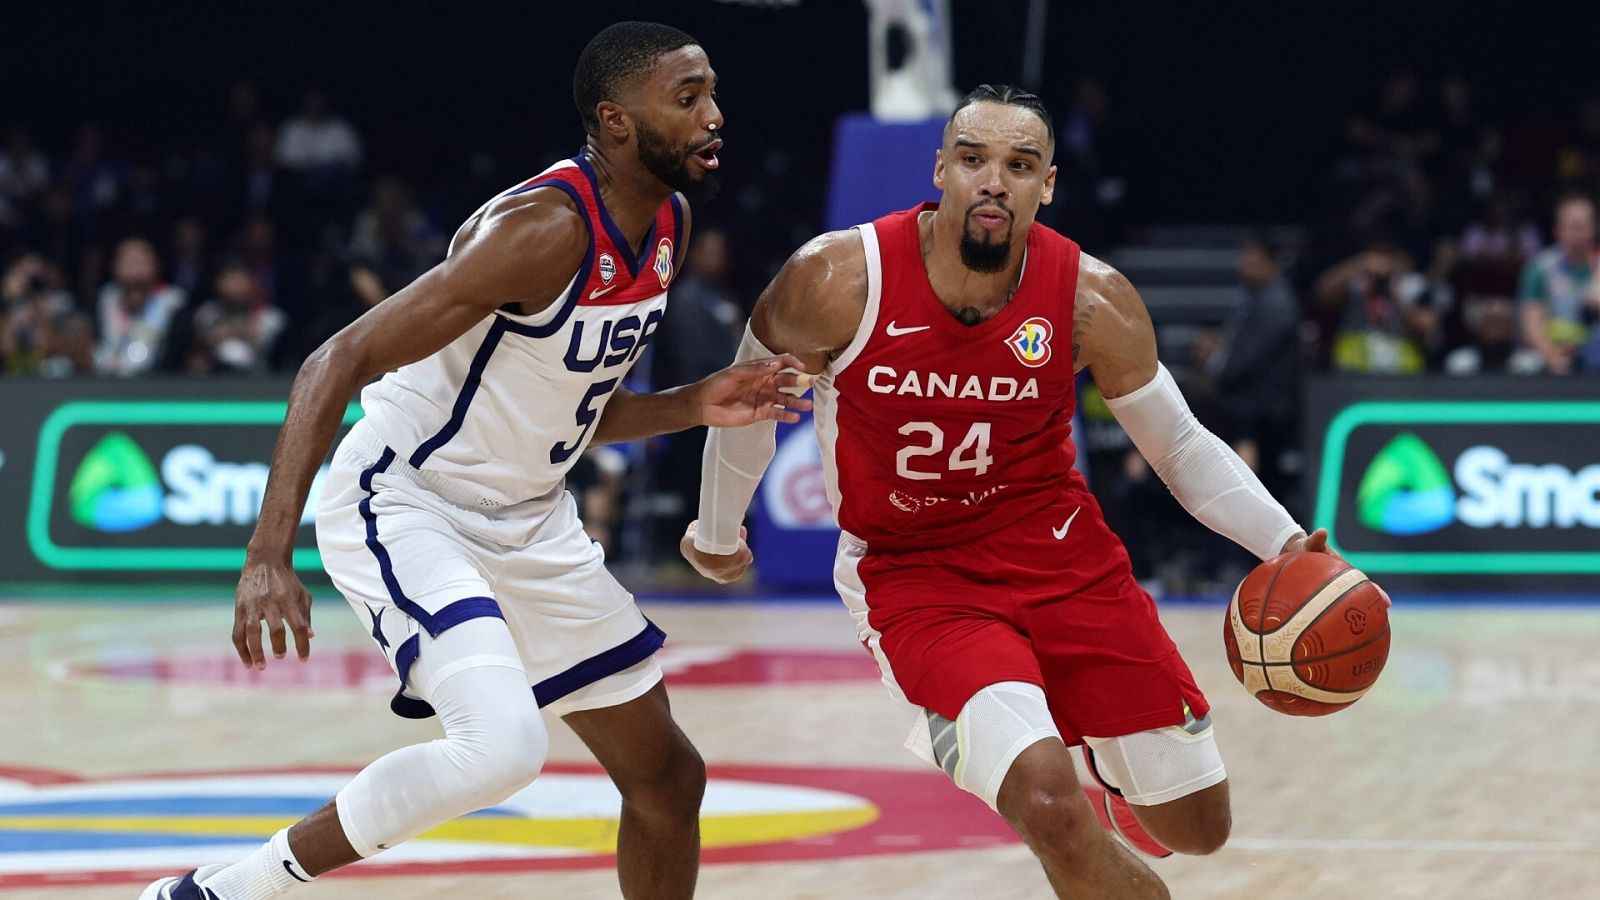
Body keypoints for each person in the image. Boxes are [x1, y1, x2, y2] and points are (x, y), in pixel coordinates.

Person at [142, 21, 808, 900]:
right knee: (502, 748)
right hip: (411, 499)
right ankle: (223, 890)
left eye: (711, 92)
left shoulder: (668, 225)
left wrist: (692, 404)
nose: (714, 115)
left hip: (531, 517)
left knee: (668, 779)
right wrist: (269, 552)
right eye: (687, 99)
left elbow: (566, 412)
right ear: (615, 121)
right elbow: (331, 362)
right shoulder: (540, 230)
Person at [682, 85, 1344, 899]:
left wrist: (1285, 544)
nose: (994, 181)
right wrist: (717, 530)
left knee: (1198, 828)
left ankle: (1108, 759)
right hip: (916, 574)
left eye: (1019, 165)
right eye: (974, 159)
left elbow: (1175, 443)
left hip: (1065, 560)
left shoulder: (1092, 297)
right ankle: (1068, 786)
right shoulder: (836, 278)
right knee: (1045, 800)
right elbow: (751, 403)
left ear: (1049, 185)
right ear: (941, 170)